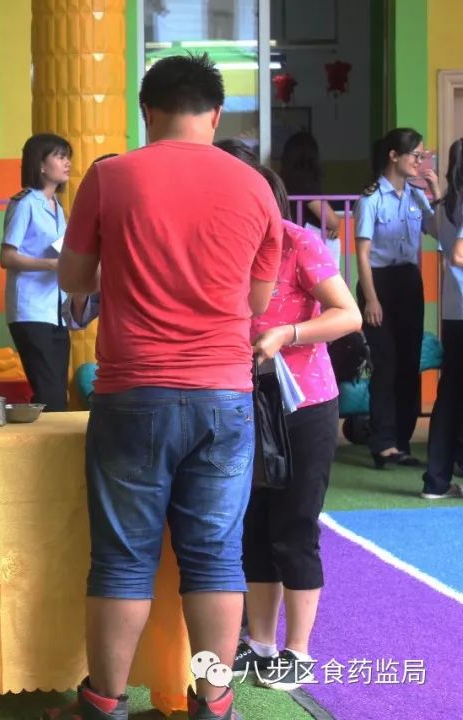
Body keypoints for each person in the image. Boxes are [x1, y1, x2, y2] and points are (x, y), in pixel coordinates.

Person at [51, 53, 283, 720]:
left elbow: (73, 280)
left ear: (148, 111)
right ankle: (214, 703)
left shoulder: (112, 176)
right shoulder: (254, 189)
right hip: (224, 395)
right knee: (215, 558)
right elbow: (258, 298)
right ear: (215, 114)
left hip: (133, 393)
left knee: (123, 558)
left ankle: (103, 702)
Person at [212, 146, 362, 688]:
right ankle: (260, 641)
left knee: (294, 528)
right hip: (239, 403)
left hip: (304, 406)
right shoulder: (217, 247)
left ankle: (297, 651)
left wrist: (287, 334)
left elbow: (347, 315)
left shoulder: (299, 242)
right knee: (252, 527)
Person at [354, 128, 441, 468]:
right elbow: (362, 255)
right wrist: (371, 299)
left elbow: (436, 231)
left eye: (422, 157)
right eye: (415, 156)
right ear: (394, 155)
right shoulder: (371, 198)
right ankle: (383, 442)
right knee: (385, 362)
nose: (420, 163)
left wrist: (436, 193)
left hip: (408, 280)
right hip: (379, 282)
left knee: (409, 361)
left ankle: (401, 441)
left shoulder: (416, 196)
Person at [0, 133, 74, 410]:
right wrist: (51, 265)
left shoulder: (58, 207)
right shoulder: (25, 203)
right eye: (60, 156)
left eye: (68, 157)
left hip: (57, 312)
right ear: (41, 165)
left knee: (56, 396)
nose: (67, 163)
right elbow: (7, 256)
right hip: (30, 310)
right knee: (51, 395)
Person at [421, 137, 463, 498]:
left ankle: (436, 480)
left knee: (450, 394)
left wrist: (435, 192)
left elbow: (437, 233)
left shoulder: (447, 205)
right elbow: (460, 253)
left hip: (454, 312)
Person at [280, 131, 342, 239]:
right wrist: (334, 226)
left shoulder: (282, 180)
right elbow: (332, 221)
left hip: (289, 240)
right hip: (306, 245)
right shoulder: (305, 183)